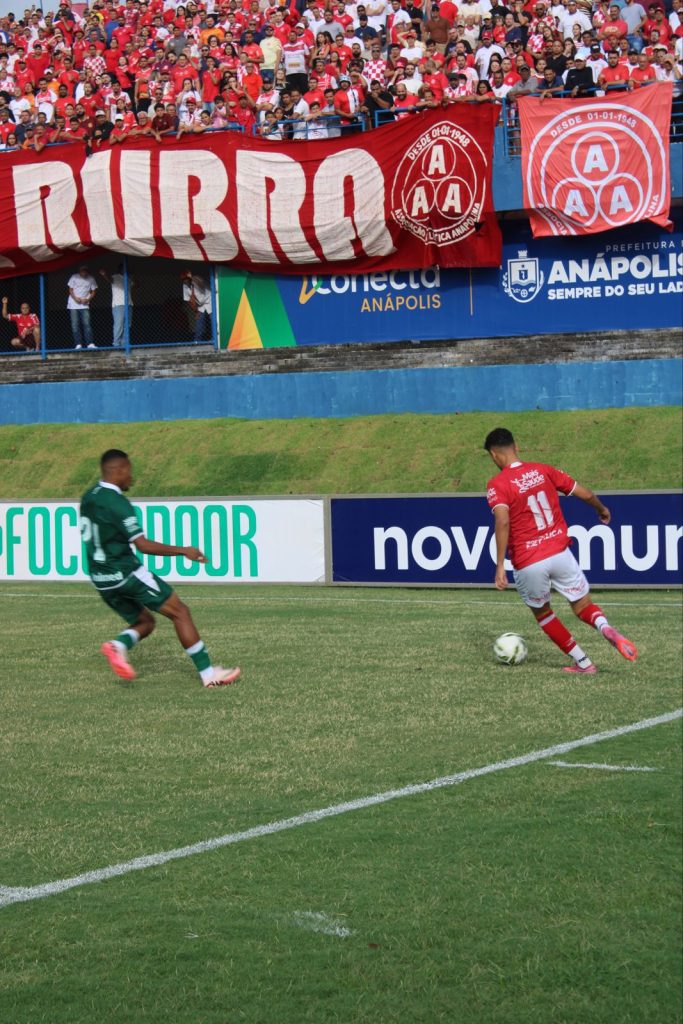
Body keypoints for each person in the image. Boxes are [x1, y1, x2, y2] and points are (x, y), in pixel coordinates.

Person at [81, 449, 240, 688]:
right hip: (126, 573)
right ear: (119, 470)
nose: (132, 477)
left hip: (101, 579)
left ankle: (118, 645)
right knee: (180, 612)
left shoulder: (88, 496)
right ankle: (209, 675)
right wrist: (184, 551)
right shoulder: (118, 503)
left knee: (145, 622)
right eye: (129, 471)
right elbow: (143, 545)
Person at [484, 427, 637, 674]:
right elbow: (585, 493)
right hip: (559, 551)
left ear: (493, 455)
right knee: (582, 605)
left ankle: (584, 663)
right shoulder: (543, 470)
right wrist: (601, 508)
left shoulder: (497, 484)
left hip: (528, 559)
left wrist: (500, 564)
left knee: (543, 613)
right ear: (516, 447)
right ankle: (604, 627)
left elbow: (502, 521)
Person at [98, 265, 133, 348]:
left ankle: (125, 344)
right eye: (124, 269)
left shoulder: (128, 278)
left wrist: (133, 276)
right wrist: (104, 274)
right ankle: (116, 344)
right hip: (118, 304)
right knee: (119, 324)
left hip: (129, 303)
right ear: (120, 269)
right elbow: (109, 280)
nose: (125, 270)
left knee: (127, 324)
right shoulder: (115, 277)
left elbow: (136, 285)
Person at [67, 265, 98, 350]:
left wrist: (88, 299)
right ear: (79, 271)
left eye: (85, 271)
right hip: (73, 305)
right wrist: (75, 298)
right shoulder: (74, 277)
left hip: (85, 304)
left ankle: (90, 343)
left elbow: (94, 291)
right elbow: (70, 289)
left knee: (87, 324)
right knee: (75, 325)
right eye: (82, 271)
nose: (84, 272)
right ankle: (78, 344)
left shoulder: (91, 278)